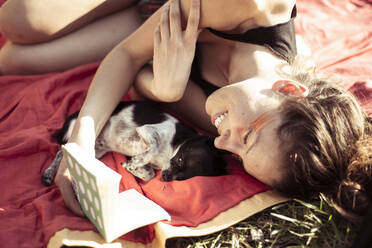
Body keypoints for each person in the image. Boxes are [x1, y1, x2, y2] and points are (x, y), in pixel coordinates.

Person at [1, 0, 371, 224]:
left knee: (15, 59)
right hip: (159, 13)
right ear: (288, 90)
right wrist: (81, 142)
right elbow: (129, 56)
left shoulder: (228, 116)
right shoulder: (250, 7)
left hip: (145, 20)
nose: (225, 141)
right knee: (18, 21)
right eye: (248, 136)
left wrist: (167, 88)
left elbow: (140, 76)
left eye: (239, 154)